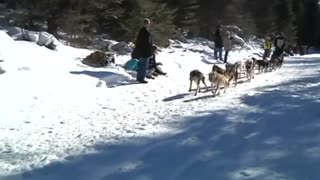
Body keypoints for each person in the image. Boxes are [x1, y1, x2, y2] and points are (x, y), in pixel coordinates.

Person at [132, 18, 153, 83]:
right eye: (146, 23)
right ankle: (141, 78)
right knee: (143, 65)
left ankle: (140, 78)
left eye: (148, 23)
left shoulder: (143, 31)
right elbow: (145, 43)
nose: (147, 24)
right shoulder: (144, 32)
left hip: (144, 51)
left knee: (143, 65)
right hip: (144, 51)